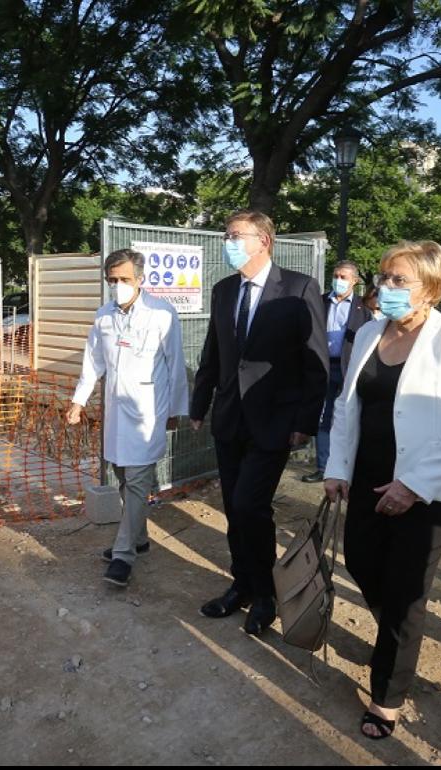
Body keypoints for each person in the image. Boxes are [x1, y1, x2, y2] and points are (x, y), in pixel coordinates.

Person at [324, 241, 441, 741]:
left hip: (432, 490)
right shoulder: (372, 330)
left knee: (404, 593)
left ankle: (387, 696)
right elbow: (348, 406)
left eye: (399, 281)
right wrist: (337, 466)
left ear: (432, 288)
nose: (385, 288)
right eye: (383, 278)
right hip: (369, 478)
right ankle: (397, 636)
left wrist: (413, 485)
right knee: (360, 562)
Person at [190, 209, 328, 636]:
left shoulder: (300, 288)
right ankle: (242, 585)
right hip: (229, 416)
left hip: (275, 420)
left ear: (263, 239)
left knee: (252, 505)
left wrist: (306, 420)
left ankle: (266, 594)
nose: (228, 242)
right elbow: (213, 352)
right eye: (227, 235)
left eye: (236, 235)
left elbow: (315, 361)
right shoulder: (224, 290)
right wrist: (199, 404)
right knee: (234, 507)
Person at [68, 249, 189, 588]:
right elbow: (93, 363)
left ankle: (123, 554)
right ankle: (139, 538)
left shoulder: (162, 314)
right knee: (123, 475)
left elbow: (175, 365)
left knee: (136, 480)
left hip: (149, 412)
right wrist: (79, 401)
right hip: (115, 413)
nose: (117, 286)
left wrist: (175, 411)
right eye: (112, 281)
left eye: (123, 279)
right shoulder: (103, 316)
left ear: (140, 279)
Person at [303, 260, 373, 483]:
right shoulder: (320, 302)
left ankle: (349, 466)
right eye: (336, 276)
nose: (338, 281)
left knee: (347, 417)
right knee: (324, 418)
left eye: (344, 277)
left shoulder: (363, 308)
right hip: (321, 367)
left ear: (354, 281)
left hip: (347, 368)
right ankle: (323, 467)